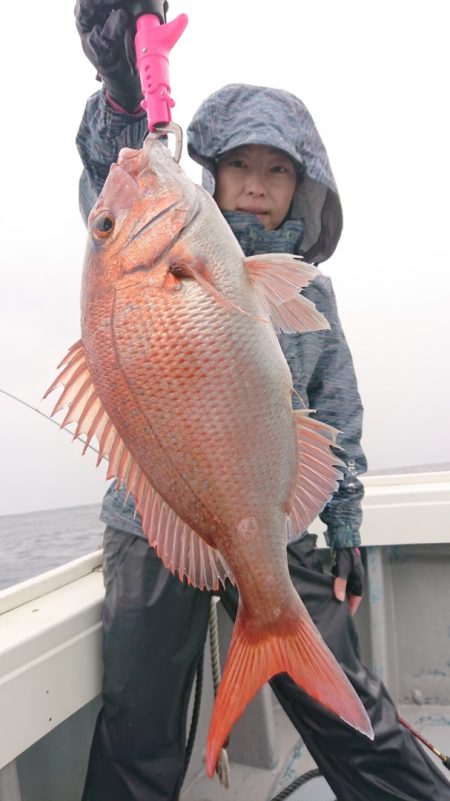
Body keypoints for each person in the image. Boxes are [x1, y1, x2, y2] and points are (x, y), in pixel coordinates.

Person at [74, 3, 450, 800]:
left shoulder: (308, 285)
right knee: (137, 725)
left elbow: (337, 414)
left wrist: (343, 522)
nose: (253, 183)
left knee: (355, 714)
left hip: (270, 520)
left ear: (304, 187)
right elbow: (115, 172)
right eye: (239, 164)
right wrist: (118, 88)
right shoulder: (160, 240)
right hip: (154, 522)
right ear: (206, 171)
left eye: (277, 170)